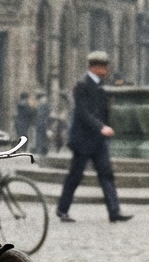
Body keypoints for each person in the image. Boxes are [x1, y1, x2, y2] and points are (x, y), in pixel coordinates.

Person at [56, 51, 132, 223]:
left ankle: (114, 211)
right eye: (104, 67)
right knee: (75, 175)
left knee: (106, 174)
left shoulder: (101, 86)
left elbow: (103, 111)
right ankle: (62, 209)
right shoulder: (82, 85)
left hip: (98, 140)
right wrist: (102, 127)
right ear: (95, 67)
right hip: (83, 139)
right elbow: (83, 112)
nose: (106, 70)